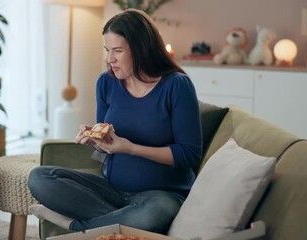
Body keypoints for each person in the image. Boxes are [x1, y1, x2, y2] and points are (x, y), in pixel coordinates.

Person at [27, 8, 202, 234]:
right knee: (39, 178)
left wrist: (130, 148)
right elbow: (108, 146)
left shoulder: (176, 86)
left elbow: (189, 154)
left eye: (118, 51)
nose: (110, 59)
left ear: (141, 49)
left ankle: (76, 227)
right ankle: (120, 220)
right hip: (111, 190)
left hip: (161, 195)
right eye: (107, 50)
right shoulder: (106, 83)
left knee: (153, 214)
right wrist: (97, 140)